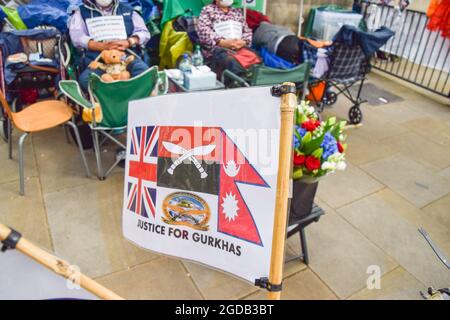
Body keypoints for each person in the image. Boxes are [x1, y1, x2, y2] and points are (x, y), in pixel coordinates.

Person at [69, 0, 151, 90]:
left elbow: (143, 32)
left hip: (125, 57)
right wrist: (101, 46)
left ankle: (128, 94)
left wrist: (129, 42)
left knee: (144, 72)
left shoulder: (129, 11)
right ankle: (114, 96)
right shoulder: (80, 13)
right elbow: (77, 37)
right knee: (86, 80)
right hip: (98, 59)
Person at [197, 0, 254, 78]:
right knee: (231, 61)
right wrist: (221, 42)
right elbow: (203, 31)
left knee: (254, 56)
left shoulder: (236, 12)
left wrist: (243, 42)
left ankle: (252, 77)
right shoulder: (207, 10)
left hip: (239, 48)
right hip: (218, 49)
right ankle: (239, 81)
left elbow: (247, 31)